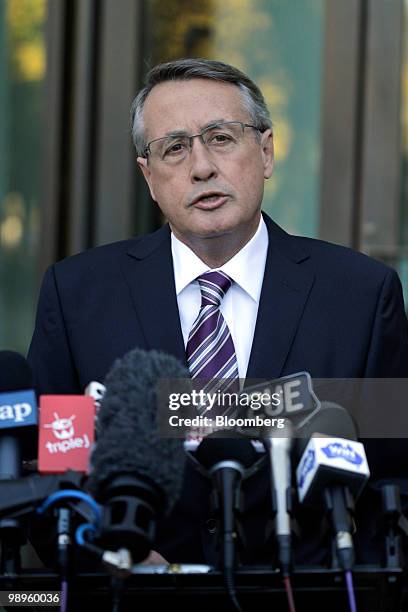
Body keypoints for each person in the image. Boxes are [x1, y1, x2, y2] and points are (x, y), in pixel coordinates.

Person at [28, 58, 408, 566]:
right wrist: (114, 560)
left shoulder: (359, 295)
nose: (202, 167)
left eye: (222, 137)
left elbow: (394, 487)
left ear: (267, 151)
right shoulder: (79, 296)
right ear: (148, 174)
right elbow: (49, 479)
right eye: (175, 147)